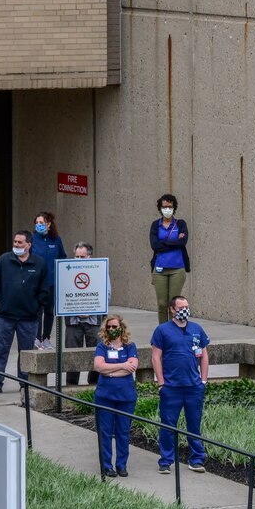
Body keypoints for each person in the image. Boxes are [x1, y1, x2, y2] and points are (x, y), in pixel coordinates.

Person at [0, 230, 49, 395]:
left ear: (29, 244)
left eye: (20, 243)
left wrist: (36, 306)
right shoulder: (4, 260)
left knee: (26, 351)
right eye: (15, 242)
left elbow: (44, 289)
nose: (16, 245)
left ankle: (25, 382)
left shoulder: (39, 263)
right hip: (5, 316)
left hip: (28, 318)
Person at [151, 295, 209, 474]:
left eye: (187, 306)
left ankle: (197, 459)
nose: (185, 310)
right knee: (168, 425)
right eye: (181, 307)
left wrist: (203, 380)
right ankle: (166, 460)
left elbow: (204, 355)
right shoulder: (162, 330)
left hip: (193, 388)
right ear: (172, 309)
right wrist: (161, 383)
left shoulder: (197, 329)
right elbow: (156, 357)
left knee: (194, 425)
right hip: (171, 388)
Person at [94, 314, 139, 478]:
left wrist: (110, 371)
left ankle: (122, 465)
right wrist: (122, 366)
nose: (112, 329)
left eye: (115, 326)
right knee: (105, 432)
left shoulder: (130, 347)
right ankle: (106, 465)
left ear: (122, 328)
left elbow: (133, 366)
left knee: (123, 432)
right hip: (104, 397)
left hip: (126, 397)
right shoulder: (102, 347)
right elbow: (99, 366)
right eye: (109, 327)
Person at [64, 242, 102, 387]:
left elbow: (106, 293)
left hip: (94, 320)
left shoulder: (99, 269)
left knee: (97, 350)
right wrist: (76, 310)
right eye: (76, 256)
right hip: (73, 321)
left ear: (89, 256)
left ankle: (94, 382)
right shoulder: (67, 271)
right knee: (72, 353)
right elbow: (64, 293)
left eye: (82, 256)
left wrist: (91, 310)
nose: (79, 259)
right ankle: (71, 385)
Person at [149, 193, 190, 323]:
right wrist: (173, 242)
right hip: (160, 268)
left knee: (174, 305)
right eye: (164, 207)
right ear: (160, 208)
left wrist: (163, 244)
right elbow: (154, 245)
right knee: (162, 304)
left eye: (170, 207)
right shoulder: (156, 225)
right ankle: (163, 330)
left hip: (177, 269)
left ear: (174, 208)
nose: (167, 209)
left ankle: (175, 330)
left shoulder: (180, 224)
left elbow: (182, 243)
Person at [31, 211, 66, 349]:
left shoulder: (56, 240)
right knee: (38, 311)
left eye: (42, 223)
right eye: (37, 223)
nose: (39, 225)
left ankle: (46, 338)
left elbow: (62, 256)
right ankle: (36, 338)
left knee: (49, 311)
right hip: (37, 282)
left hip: (51, 282)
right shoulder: (32, 239)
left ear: (49, 224)